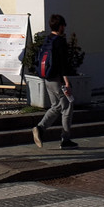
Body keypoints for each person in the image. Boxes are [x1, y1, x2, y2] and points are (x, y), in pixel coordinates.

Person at [31, 13, 77, 150]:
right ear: (61, 26)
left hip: (47, 78)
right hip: (57, 79)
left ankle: (40, 128)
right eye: (64, 26)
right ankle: (65, 139)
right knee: (68, 105)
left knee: (56, 106)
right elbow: (62, 64)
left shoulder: (47, 40)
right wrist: (67, 82)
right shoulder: (60, 41)